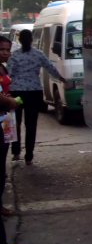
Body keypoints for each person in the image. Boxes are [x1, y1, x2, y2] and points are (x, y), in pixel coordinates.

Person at [7, 29, 66, 164]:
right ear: (31, 40)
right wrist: (61, 78)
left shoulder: (14, 56)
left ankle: (16, 152)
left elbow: (8, 74)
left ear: (20, 41)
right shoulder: (38, 54)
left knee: (16, 123)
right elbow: (50, 67)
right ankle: (29, 156)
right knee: (31, 124)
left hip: (16, 93)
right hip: (34, 93)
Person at [0, 36, 30, 244]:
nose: (5, 53)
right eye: (1, 49)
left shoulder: (3, 67)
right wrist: (8, 101)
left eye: (7, 49)